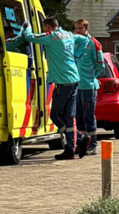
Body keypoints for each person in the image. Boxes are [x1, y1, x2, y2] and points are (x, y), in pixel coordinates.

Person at [18, 17, 92, 160]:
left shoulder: (51, 37)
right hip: (74, 79)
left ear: (48, 26)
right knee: (68, 116)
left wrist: (26, 26)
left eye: (44, 26)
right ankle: (71, 148)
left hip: (63, 81)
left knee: (55, 115)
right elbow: (85, 40)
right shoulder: (69, 35)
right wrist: (76, 55)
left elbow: (30, 37)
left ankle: (80, 138)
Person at [73, 19, 106, 157]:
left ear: (86, 28)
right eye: (76, 28)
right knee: (78, 116)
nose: (78, 31)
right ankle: (81, 143)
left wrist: (91, 77)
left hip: (88, 86)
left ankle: (92, 145)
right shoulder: (74, 42)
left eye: (80, 28)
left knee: (89, 116)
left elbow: (100, 65)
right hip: (76, 85)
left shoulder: (94, 43)